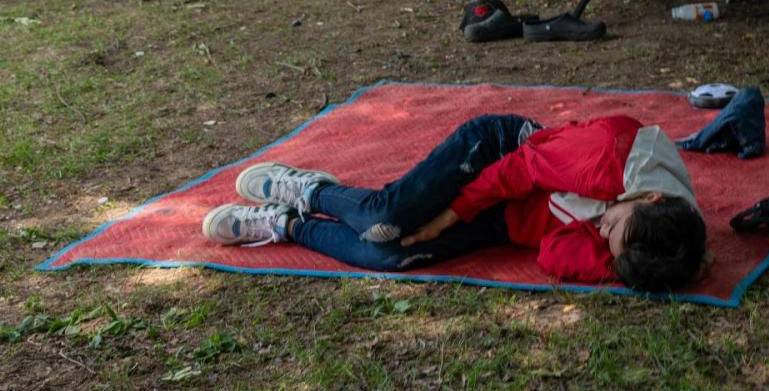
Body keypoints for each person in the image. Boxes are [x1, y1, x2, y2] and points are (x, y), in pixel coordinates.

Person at [201, 113, 708, 292]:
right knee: (389, 218)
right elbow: (519, 169)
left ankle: (292, 225)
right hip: (501, 153)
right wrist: (450, 214)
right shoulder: (605, 158)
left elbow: (554, 254)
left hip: (507, 219)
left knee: (387, 254)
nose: (600, 233)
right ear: (648, 196)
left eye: (608, 247)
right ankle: (312, 189)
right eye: (611, 225)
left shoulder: (656, 244)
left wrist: (611, 257)